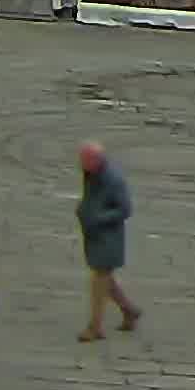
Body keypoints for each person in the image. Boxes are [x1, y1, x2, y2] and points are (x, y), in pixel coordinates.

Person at [76, 140, 141, 340]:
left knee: (98, 281)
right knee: (104, 279)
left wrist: (98, 218)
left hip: (108, 237)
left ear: (97, 160)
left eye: (85, 161)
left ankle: (94, 327)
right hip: (94, 234)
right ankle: (129, 310)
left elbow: (125, 209)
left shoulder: (113, 180)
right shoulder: (92, 173)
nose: (81, 165)